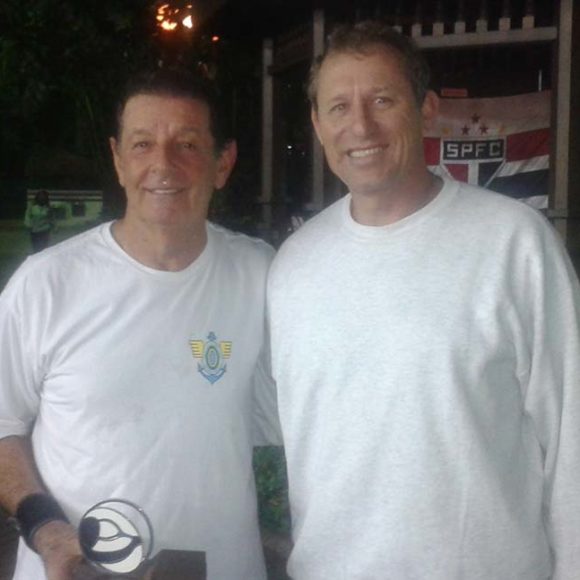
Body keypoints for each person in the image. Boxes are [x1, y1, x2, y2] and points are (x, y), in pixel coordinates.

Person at [267, 20, 580, 580]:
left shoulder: (514, 243)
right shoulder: (292, 265)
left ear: (427, 110)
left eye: (382, 100)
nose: (360, 125)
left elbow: (570, 432)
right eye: (338, 107)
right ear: (317, 125)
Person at [0, 68, 280, 580]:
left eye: (187, 145)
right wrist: (46, 528)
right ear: (118, 159)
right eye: (142, 144)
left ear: (223, 163)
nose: (162, 165)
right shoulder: (46, 284)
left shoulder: (261, 275)